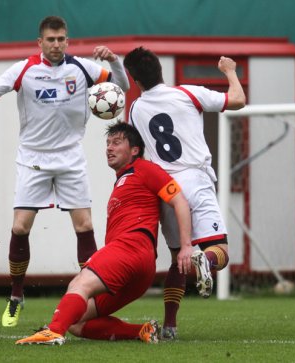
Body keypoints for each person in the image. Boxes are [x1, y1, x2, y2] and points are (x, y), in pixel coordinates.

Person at [0, 16, 130, 328]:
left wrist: (115, 62)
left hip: (71, 158)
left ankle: (93, 298)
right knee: (20, 227)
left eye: (61, 39)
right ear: (40, 42)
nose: (56, 44)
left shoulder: (84, 69)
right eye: (51, 39)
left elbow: (122, 87)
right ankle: (17, 296)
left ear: (67, 41)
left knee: (84, 225)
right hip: (33, 159)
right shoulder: (24, 70)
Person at [15, 122, 192, 345]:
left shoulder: (145, 168)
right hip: (142, 268)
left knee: (79, 285)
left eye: (117, 143)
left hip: (130, 247)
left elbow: (180, 201)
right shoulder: (124, 179)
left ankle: (53, 332)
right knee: (76, 323)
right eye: (107, 143)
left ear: (135, 150)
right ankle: (142, 331)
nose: (109, 148)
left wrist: (186, 246)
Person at [123, 47, 246, 340]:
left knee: (178, 259)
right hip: (195, 179)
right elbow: (238, 100)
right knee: (222, 253)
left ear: (136, 80)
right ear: (160, 70)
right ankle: (207, 261)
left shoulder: (135, 109)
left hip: (166, 190)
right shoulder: (188, 93)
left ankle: (170, 327)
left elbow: (135, 151)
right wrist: (229, 71)